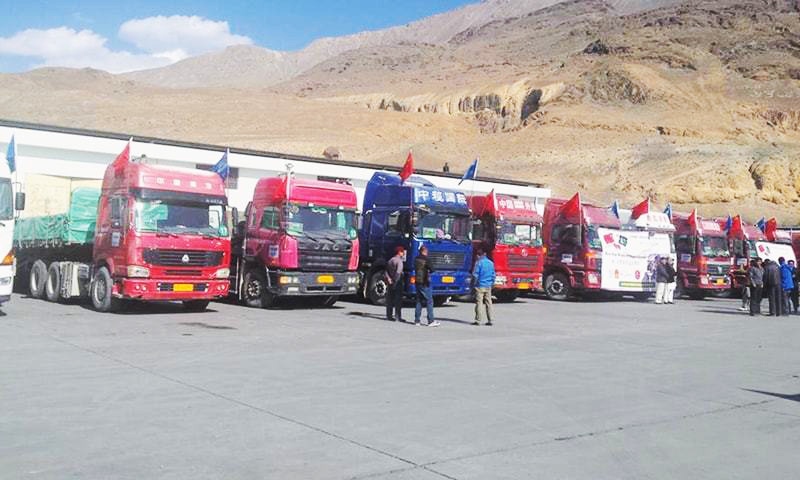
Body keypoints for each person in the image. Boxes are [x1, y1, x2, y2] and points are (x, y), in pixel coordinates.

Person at [414, 245, 440, 327]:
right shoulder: (426, 259)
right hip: (425, 282)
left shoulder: (416, 259)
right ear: (425, 251)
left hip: (417, 281)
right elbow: (432, 269)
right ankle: (430, 320)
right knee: (429, 301)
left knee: (419, 301)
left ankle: (417, 320)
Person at [472, 249, 496, 326]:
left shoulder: (479, 263)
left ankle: (478, 320)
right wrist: (491, 283)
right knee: (489, 303)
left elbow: (475, 275)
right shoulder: (491, 263)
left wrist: (473, 284)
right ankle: (490, 320)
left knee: (479, 303)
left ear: (478, 255)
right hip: (488, 285)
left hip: (480, 285)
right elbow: (493, 275)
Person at [385, 246, 405, 322]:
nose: (403, 253)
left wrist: (389, 279)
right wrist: (395, 280)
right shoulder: (399, 261)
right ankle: (398, 317)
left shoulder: (390, 260)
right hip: (397, 282)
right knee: (398, 300)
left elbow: (386, 271)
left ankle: (389, 315)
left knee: (389, 299)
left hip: (390, 282)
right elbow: (398, 272)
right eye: (402, 252)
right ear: (399, 252)